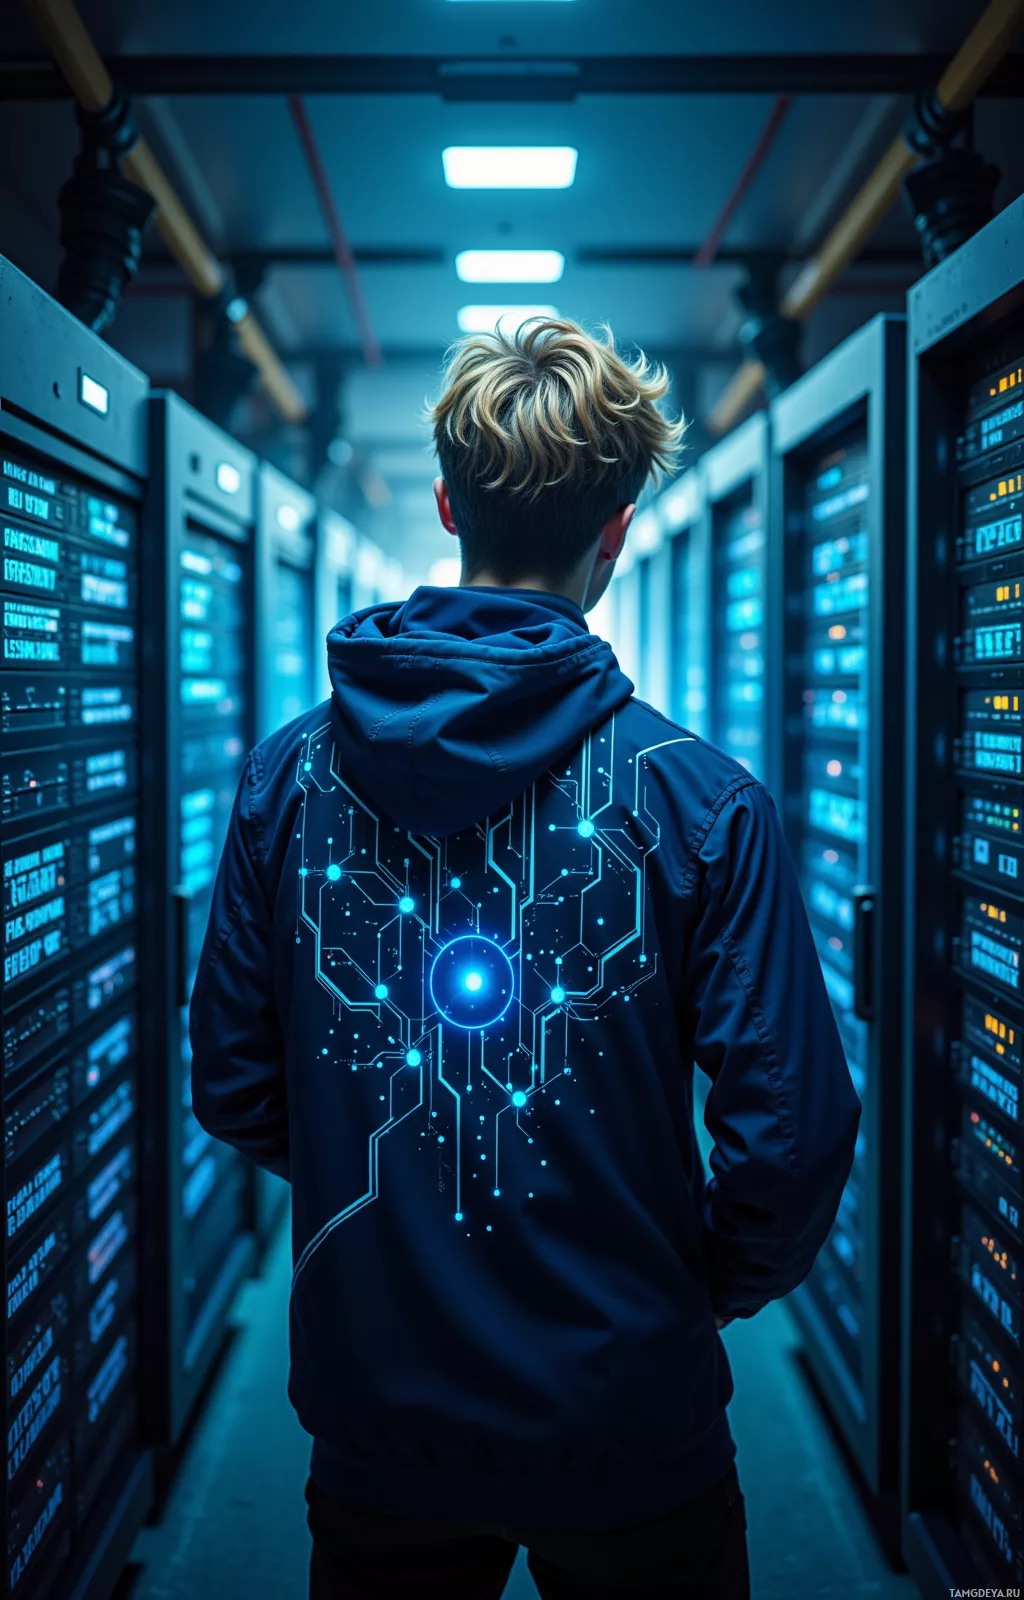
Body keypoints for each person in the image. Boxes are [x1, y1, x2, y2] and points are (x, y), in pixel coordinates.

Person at [189, 316, 860, 1600]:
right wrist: (690, 1288)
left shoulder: (291, 775)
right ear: (616, 537)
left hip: (378, 1405)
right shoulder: (700, 803)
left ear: (446, 502)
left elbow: (233, 1080)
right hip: (629, 1413)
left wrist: (370, 1198)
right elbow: (793, 1133)